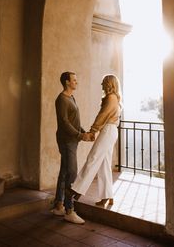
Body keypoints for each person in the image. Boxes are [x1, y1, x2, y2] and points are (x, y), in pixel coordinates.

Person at [71, 74, 122, 208]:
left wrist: (93, 130)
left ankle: (75, 191)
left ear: (109, 84)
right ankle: (107, 196)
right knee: (104, 164)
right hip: (111, 131)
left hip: (108, 131)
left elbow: (102, 115)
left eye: (103, 83)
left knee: (92, 159)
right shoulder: (115, 98)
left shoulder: (111, 98)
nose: (101, 85)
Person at [52, 71, 93, 224]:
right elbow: (64, 123)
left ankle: (58, 206)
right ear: (67, 82)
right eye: (74, 80)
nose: (77, 82)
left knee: (64, 172)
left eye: (76, 79)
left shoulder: (71, 98)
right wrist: (80, 135)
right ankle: (69, 210)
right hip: (66, 141)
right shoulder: (61, 99)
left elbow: (74, 121)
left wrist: (84, 133)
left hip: (72, 140)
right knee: (72, 174)